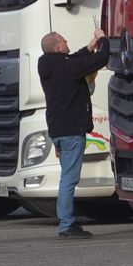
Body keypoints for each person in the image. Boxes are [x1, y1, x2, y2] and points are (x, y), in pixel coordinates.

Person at [37, 28, 109, 239]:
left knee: (66, 178)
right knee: (69, 179)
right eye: (63, 40)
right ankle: (66, 225)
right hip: (71, 131)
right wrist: (103, 39)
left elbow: (76, 59)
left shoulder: (49, 66)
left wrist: (89, 46)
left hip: (58, 131)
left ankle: (67, 223)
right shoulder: (66, 68)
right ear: (58, 47)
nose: (67, 41)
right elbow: (102, 58)